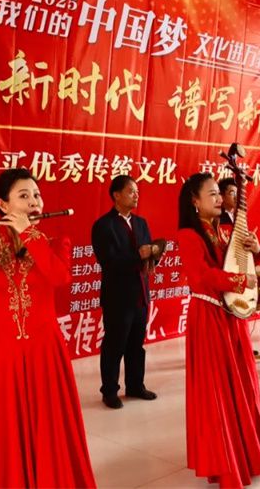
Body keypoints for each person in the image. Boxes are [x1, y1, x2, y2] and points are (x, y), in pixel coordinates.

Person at [0, 168, 96, 488]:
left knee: (50, 427)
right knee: (5, 430)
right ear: (3, 206)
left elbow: (59, 277)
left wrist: (29, 234)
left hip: (46, 353)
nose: (34, 202)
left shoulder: (55, 242)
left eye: (37, 195)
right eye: (24, 195)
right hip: (2, 357)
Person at [177, 172, 260, 487]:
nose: (219, 198)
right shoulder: (188, 235)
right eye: (211, 193)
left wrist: (254, 249)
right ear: (194, 202)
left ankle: (245, 450)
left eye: (218, 193)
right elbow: (200, 276)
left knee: (242, 383)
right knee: (218, 391)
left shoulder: (225, 232)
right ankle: (225, 459)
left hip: (231, 316)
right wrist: (239, 280)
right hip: (209, 316)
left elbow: (241, 264)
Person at [91, 175, 158, 409]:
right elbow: (108, 261)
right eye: (131, 191)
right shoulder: (103, 225)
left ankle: (135, 385)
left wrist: (154, 255)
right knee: (114, 345)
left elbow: (148, 255)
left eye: (137, 191)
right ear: (116, 195)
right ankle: (110, 391)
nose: (136, 195)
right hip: (117, 297)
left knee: (136, 345)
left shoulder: (141, 223)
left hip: (140, 294)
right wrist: (138, 255)